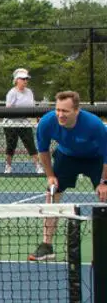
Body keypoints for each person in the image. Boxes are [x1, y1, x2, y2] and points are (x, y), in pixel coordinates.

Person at [28, 90, 107, 262]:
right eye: (58, 110)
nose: (60, 114)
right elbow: (43, 151)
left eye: (65, 111)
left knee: (105, 195)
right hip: (66, 157)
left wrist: (104, 182)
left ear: (77, 110)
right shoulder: (47, 122)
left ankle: (102, 250)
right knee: (52, 192)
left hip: (95, 159)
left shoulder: (94, 125)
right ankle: (46, 246)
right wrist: (50, 176)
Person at [3, 68, 42, 175]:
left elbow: (33, 107)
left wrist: (38, 118)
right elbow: (8, 109)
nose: (25, 81)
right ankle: (8, 166)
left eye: (27, 79)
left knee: (31, 145)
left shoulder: (29, 92)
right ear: (17, 80)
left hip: (25, 123)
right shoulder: (12, 93)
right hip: (11, 123)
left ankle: (38, 167)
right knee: (11, 146)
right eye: (23, 79)